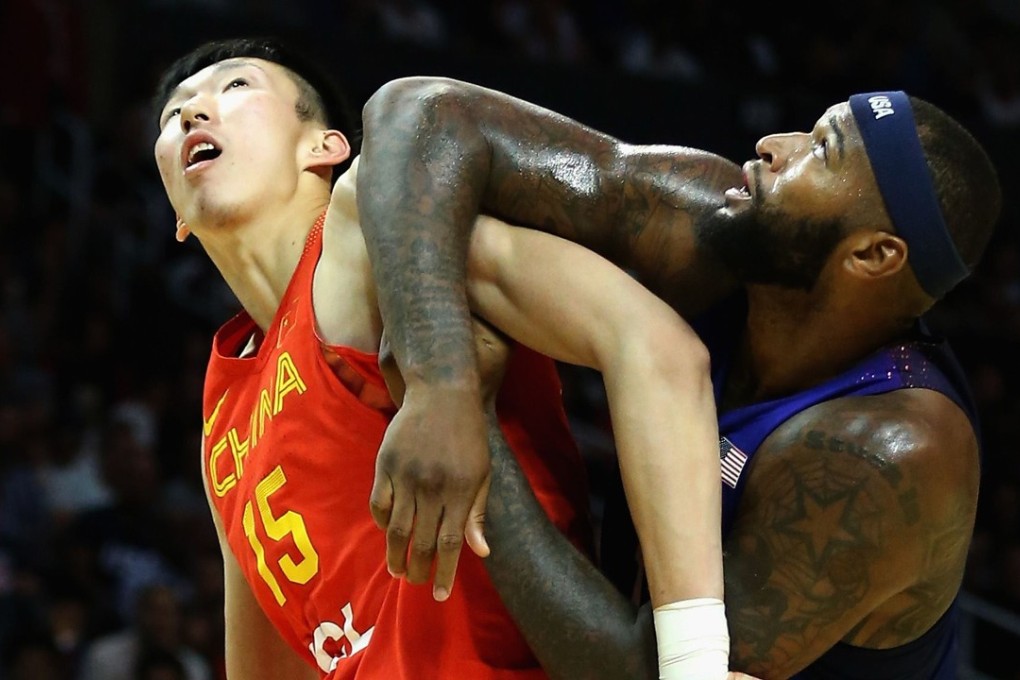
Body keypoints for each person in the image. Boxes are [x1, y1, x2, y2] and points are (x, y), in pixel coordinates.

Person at [356, 80, 1002, 679]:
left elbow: (649, 670)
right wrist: (439, 378)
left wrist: (478, 421)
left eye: (821, 150)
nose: (773, 146)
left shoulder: (885, 453)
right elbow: (422, 111)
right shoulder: (719, 228)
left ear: (871, 254)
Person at [152, 38, 747, 679]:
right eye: (171, 116)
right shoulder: (222, 402)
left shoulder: (378, 237)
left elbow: (656, 347)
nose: (191, 114)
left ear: (324, 147)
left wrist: (695, 664)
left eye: (236, 87)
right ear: (176, 217)